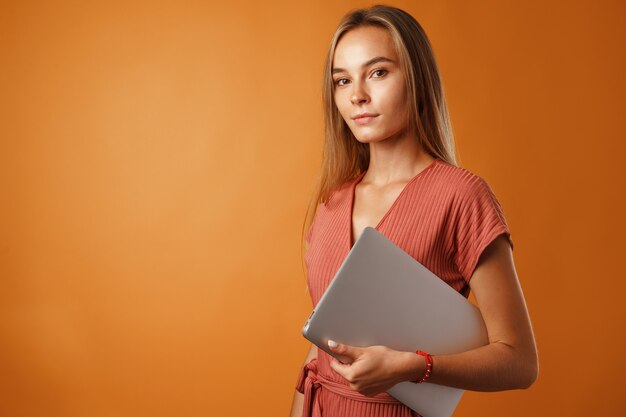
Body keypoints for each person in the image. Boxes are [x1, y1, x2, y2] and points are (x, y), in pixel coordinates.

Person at [289, 5, 538, 417]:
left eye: (378, 72)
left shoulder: (462, 196)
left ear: (417, 79)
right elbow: (316, 355)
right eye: (342, 80)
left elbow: (520, 362)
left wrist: (416, 367)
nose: (357, 96)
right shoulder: (332, 201)